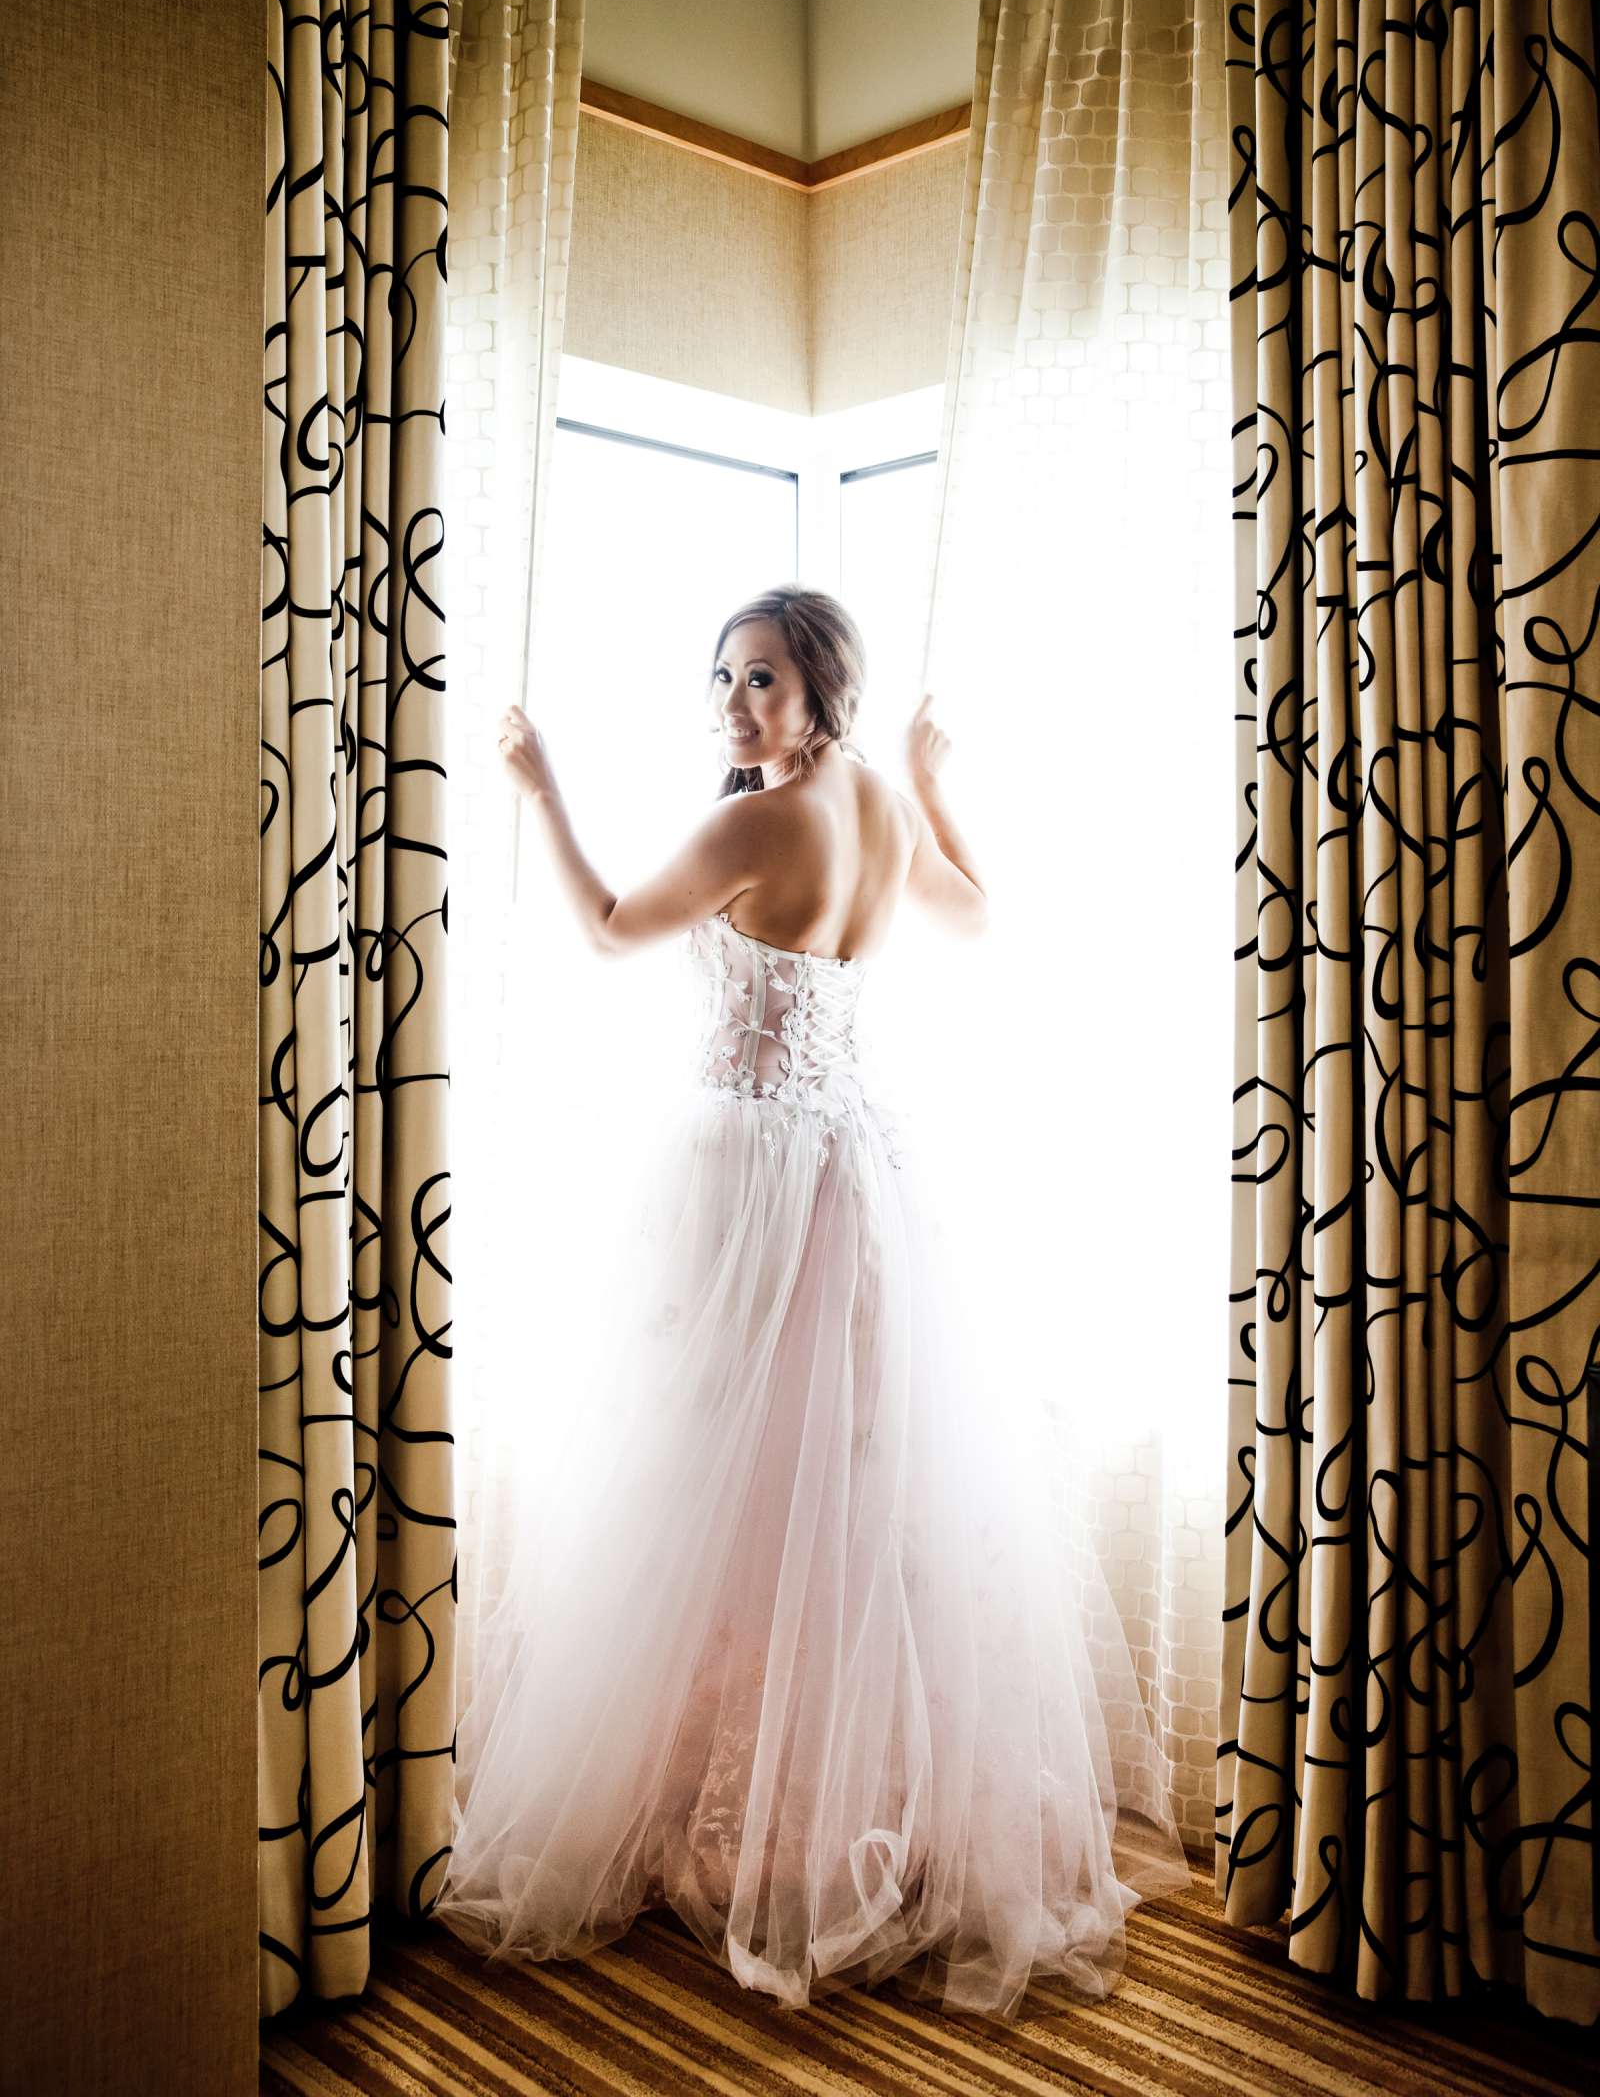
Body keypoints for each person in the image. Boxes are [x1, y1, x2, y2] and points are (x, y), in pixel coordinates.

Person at [433, 583, 1189, 2019]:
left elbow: (603, 926)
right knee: (837, 1489)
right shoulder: (871, 810)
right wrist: (927, 784)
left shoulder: (753, 822)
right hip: (853, 1168)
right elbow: (976, 915)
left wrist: (539, 787)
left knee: (719, 1481)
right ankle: (824, 1780)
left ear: (819, 689)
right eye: (721, 674)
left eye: (762, 680)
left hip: (743, 1175)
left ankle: (748, 1796)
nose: (733, 702)